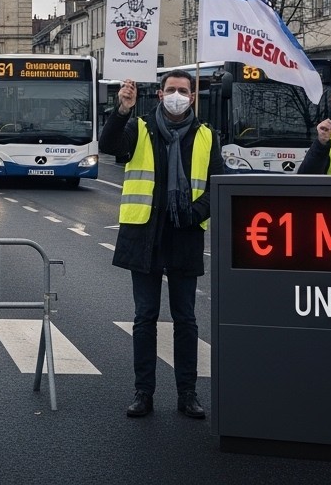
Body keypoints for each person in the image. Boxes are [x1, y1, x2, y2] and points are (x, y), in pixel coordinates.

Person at [98, 72, 223, 420]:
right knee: (144, 317)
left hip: (185, 234)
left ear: (193, 96)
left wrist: (196, 211)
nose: (177, 96)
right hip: (145, 235)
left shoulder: (206, 135)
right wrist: (122, 109)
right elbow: (109, 146)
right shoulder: (139, 128)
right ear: (160, 94)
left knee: (186, 319)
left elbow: (217, 183)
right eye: (171, 90)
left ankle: (188, 394)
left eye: (184, 91)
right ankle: (143, 393)